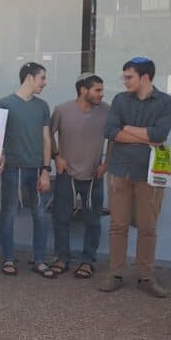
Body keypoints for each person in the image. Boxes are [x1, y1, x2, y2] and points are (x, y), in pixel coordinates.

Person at [100, 56, 171, 297]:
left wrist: (126, 128)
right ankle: (115, 274)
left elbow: (160, 134)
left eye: (129, 77)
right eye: (124, 77)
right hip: (120, 170)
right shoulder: (120, 100)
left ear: (145, 77)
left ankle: (146, 277)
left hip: (150, 173)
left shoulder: (166, 101)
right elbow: (110, 131)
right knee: (117, 225)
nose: (125, 81)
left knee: (147, 227)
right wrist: (145, 136)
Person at [49, 73, 110, 279]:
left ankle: (88, 260)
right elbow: (47, 133)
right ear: (83, 90)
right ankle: (62, 258)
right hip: (67, 174)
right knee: (61, 218)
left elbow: (114, 138)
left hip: (94, 175)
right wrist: (56, 156)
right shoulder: (62, 110)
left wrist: (106, 163)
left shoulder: (107, 111)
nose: (102, 94)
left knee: (93, 221)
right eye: (97, 90)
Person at [0, 62, 53, 278]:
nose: (44, 83)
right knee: (8, 212)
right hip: (12, 168)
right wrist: (1, 156)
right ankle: (8, 258)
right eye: (42, 78)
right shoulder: (4, 104)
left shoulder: (43, 106)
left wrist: (46, 170)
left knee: (40, 214)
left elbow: (47, 139)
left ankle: (40, 260)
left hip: (37, 168)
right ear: (30, 77)